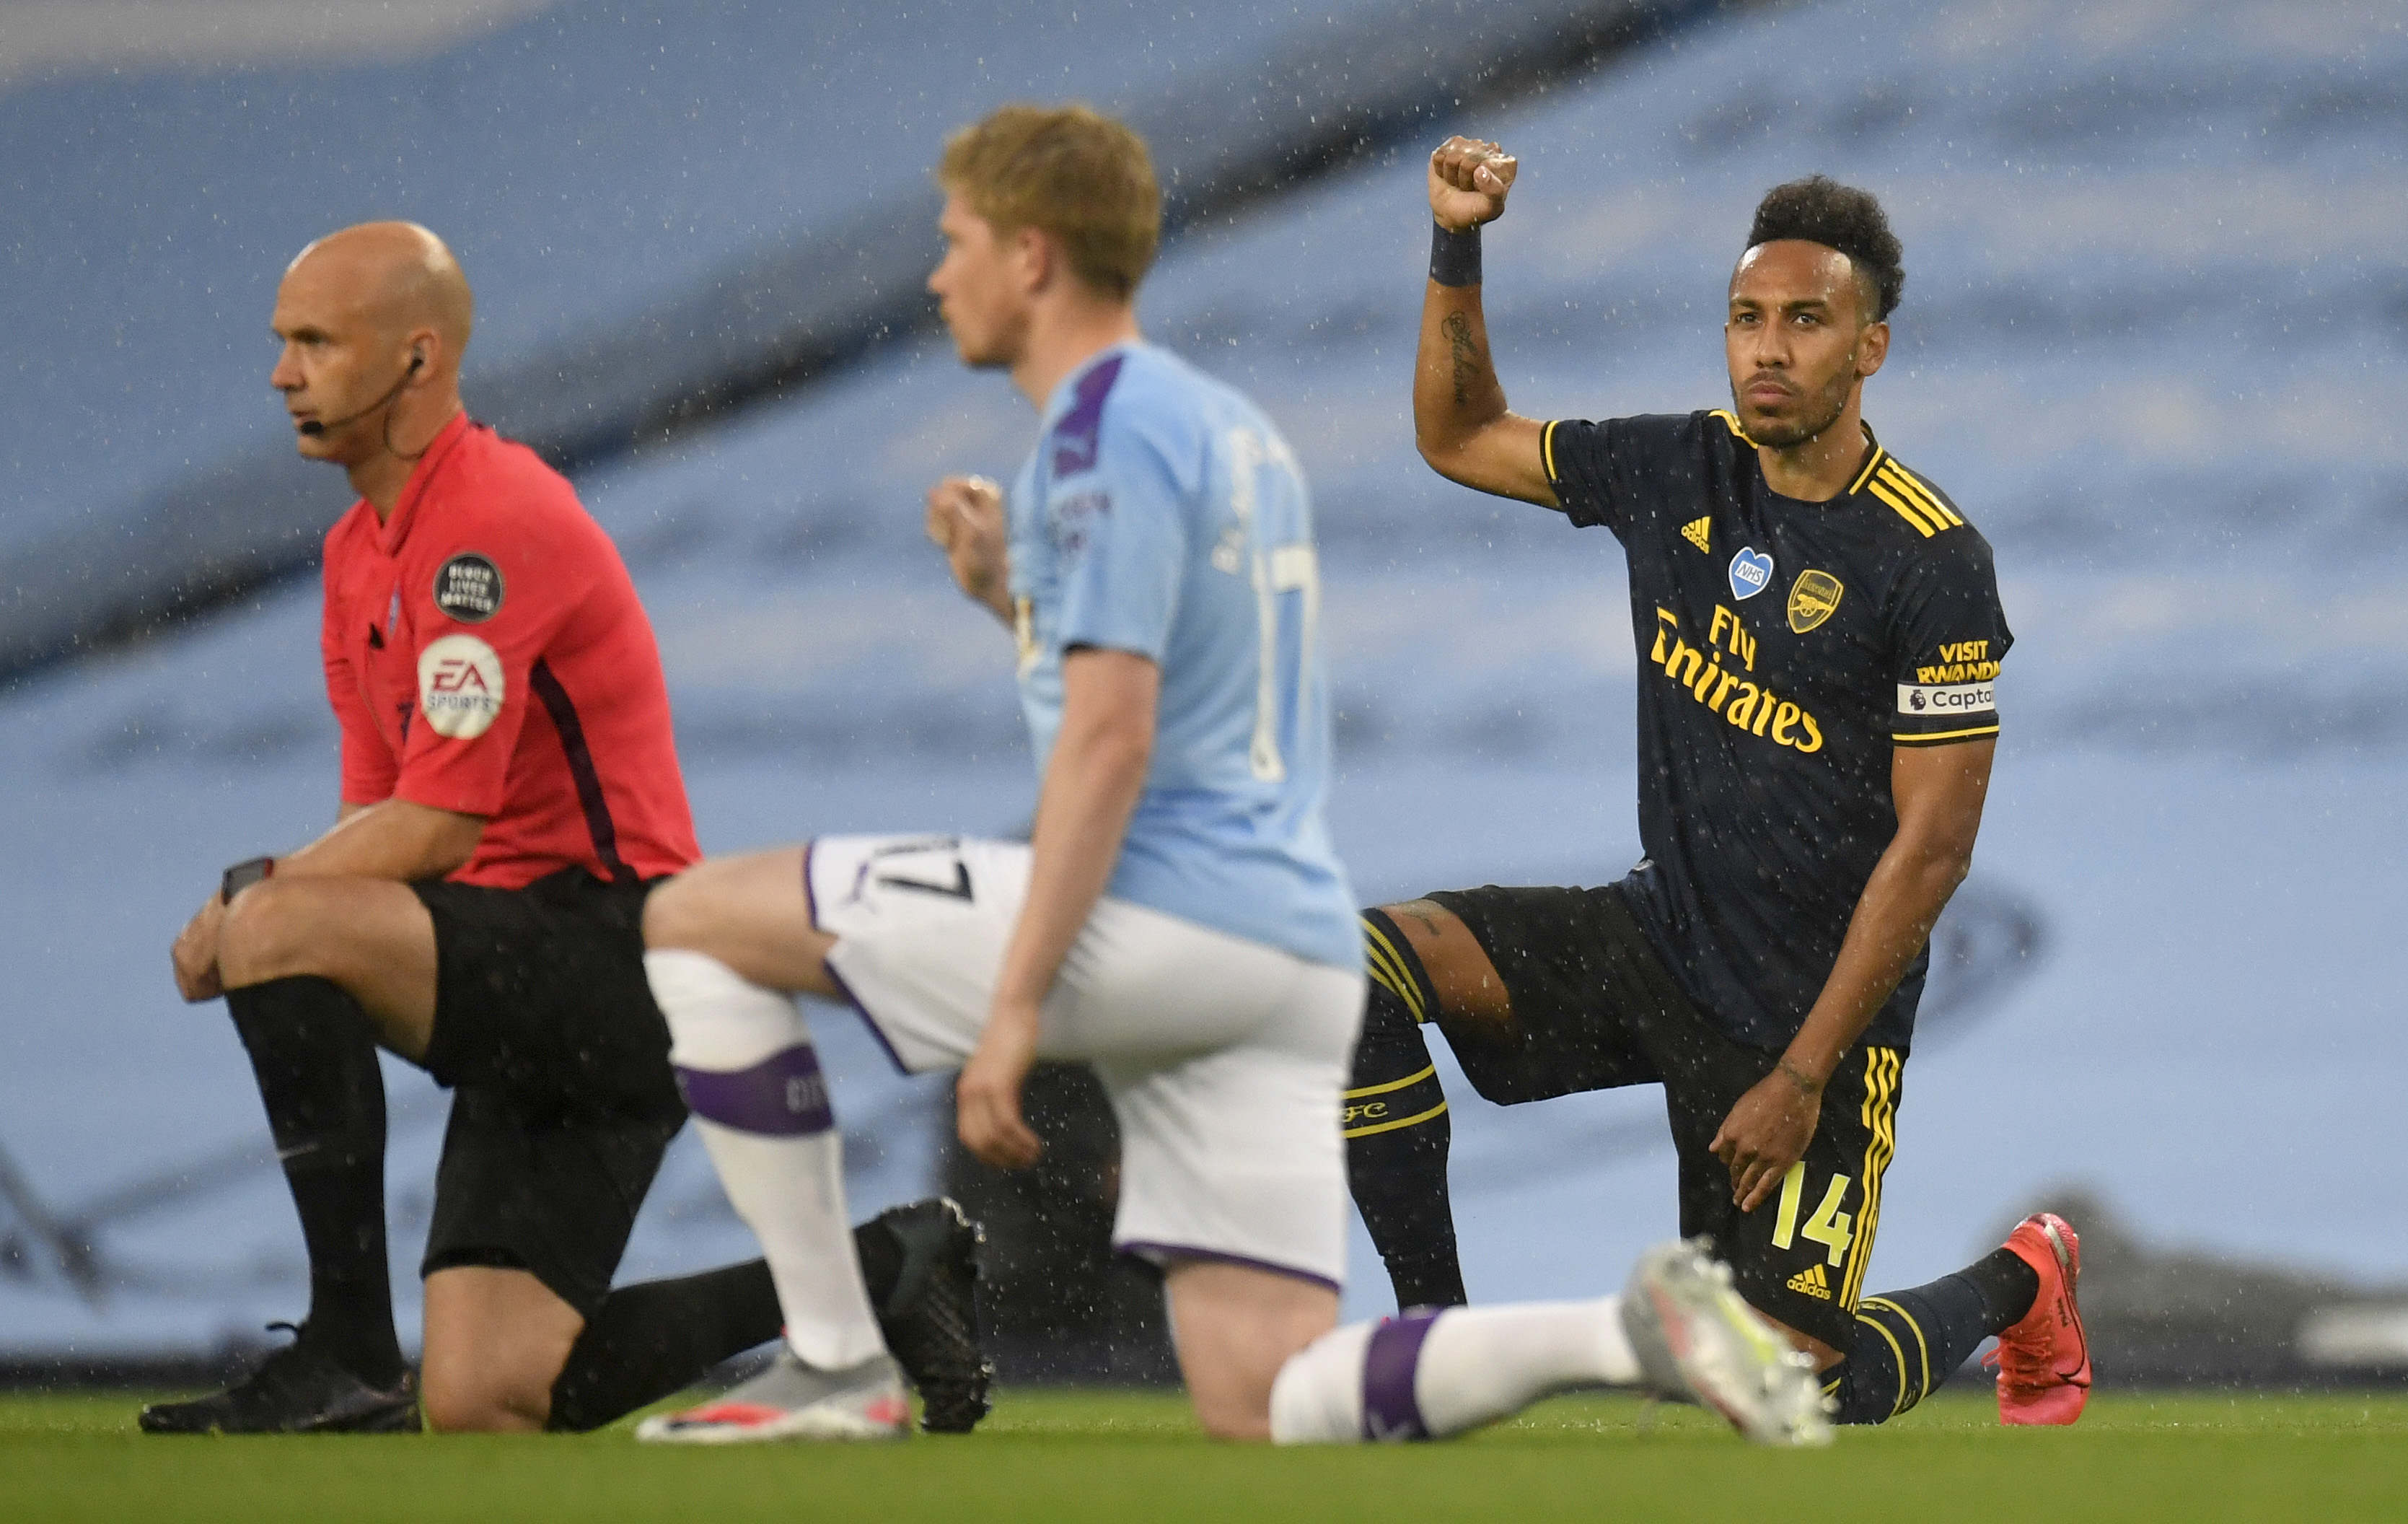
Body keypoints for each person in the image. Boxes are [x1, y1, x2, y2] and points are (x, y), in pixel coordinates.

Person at [631, 104, 1827, 1448]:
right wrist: (1010, 605)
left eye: (955, 240)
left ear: (1031, 256)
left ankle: (839, 1351)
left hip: (1154, 918)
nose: (934, 274)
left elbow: (1115, 738)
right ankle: (1622, 1333)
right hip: (1277, 949)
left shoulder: (1101, 431)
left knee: (690, 922)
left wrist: (1015, 1008)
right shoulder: (1218, 430)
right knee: (1265, 1398)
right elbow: (1175, 692)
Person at [146, 223, 989, 1437]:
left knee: (279, 925)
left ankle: (343, 1350)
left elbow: (437, 824)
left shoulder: (485, 519)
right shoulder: (353, 556)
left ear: (418, 358)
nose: (284, 373)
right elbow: (375, 825)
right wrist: (272, 906)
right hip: (527, 978)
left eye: (317, 342)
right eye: (283, 343)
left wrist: (247, 909)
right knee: (489, 1398)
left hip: (615, 952)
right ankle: (880, 1271)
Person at [1336, 139, 2093, 1429]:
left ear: (1871, 349)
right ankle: (1435, 1357)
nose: (1767, 348)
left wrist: (1800, 1076)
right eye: (1746, 318)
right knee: (1350, 968)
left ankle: (2021, 1283)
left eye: (1807, 321)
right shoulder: (1675, 469)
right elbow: (1457, 435)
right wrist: (1456, 242)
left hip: (1817, 1022)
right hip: (1660, 945)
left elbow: (1932, 852)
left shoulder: (1930, 558)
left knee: (1780, 1394)